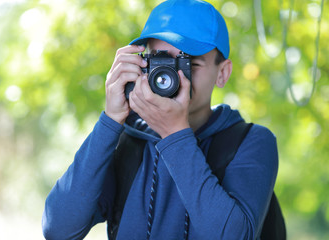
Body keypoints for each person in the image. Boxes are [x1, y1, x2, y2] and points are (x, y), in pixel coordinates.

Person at [42, 0, 278, 239]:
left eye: (190, 64)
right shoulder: (128, 140)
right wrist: (110, 120)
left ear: (223, 73)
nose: (173, 75)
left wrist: (175, 135)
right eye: (160, 61)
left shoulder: (251, 142)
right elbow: (59, 230)